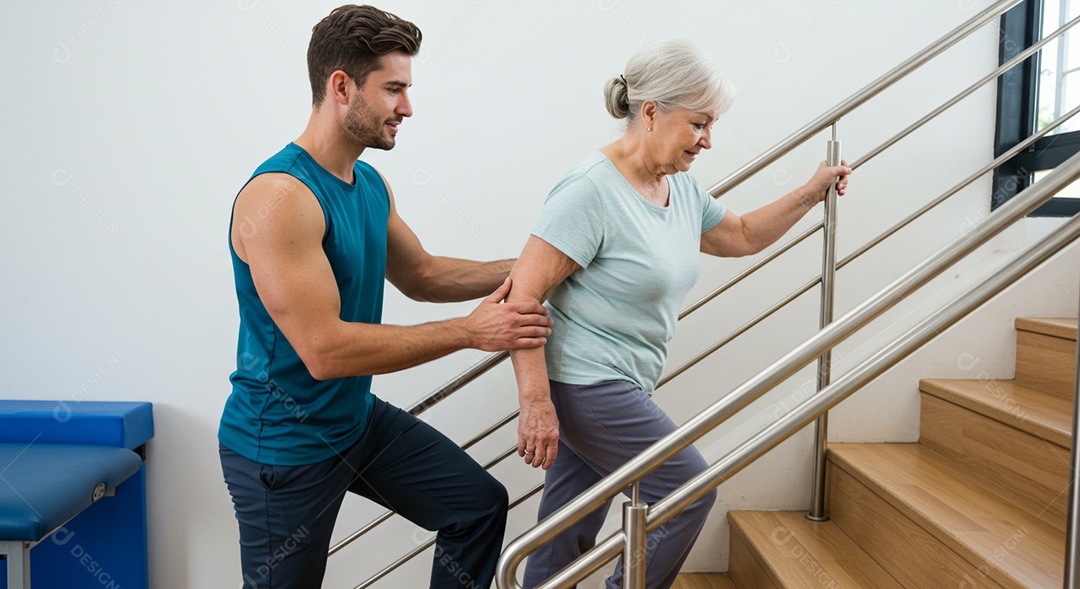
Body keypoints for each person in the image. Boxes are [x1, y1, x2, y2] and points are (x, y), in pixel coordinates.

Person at [217, 5, 553, 588]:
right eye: (394, 89)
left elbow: (422, 275)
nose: (408, 107)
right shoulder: (280, 199)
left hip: (353, 422)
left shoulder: (368, 181)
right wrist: (471, 333)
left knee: (476, 505)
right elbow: (324, 352)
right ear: (341, 87)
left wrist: (545, 265)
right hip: (285, 445)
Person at [508, 39, 851, 589]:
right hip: (584, 383)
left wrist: (810, 193)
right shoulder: (590, 191)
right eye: (698, 123)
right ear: (650, 112)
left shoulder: (680, 190)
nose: (708, 140)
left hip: (623, 383)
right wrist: (536, 403)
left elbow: (740, 236)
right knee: (688, 488)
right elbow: (521, 300)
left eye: (712, 125)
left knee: (566, 529)